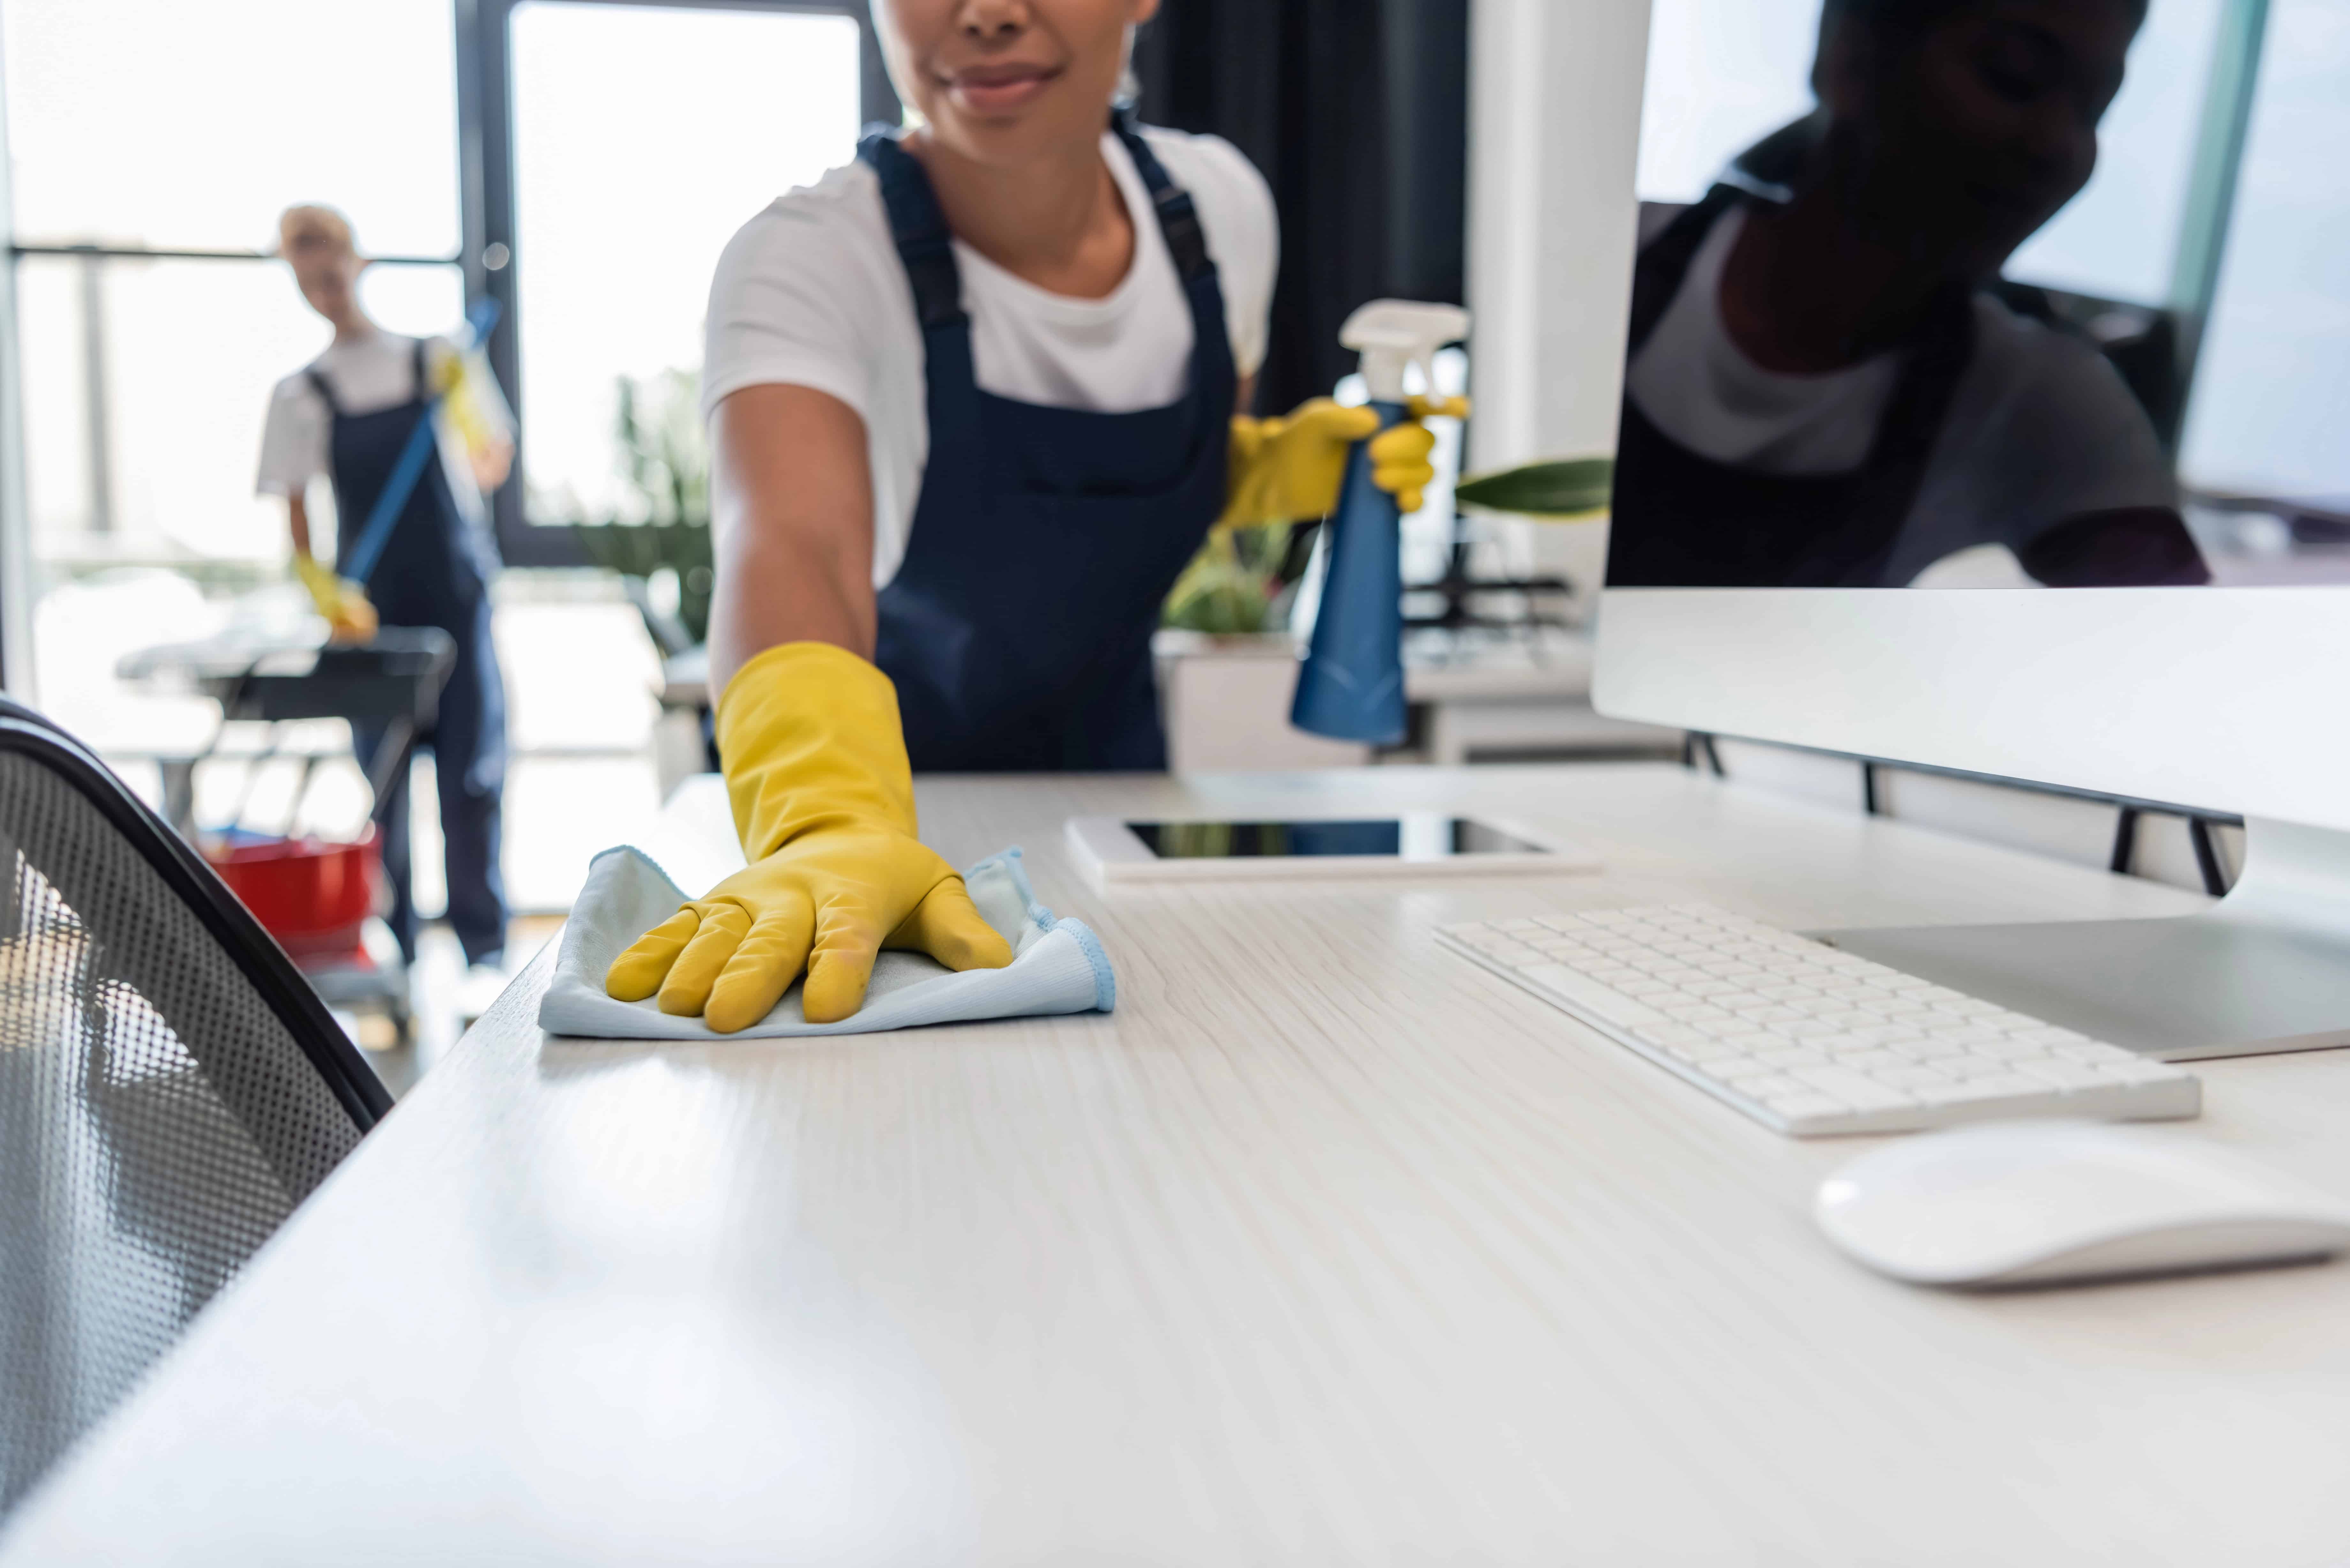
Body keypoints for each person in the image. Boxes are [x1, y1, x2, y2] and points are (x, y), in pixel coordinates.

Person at [605, 0, 1458, 1032]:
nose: (990, 14)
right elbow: (797, 547)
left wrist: (1263, 473)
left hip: (1119, 818)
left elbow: (1157, 476)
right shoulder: (810, 259)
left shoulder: (1220, 213)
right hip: (880, 844)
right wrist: (825, 823)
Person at [1608, 0, 2209, 589]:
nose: (2058, 146)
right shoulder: (1604, 255)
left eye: (2094, 110)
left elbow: (2180, 639)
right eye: (2014, 75)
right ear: (1849, 55)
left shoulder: (2041, 397)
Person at [257, 204, 517, 988]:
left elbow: (491, 462)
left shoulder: (436, 358)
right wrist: (325, 594)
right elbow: (297, 520)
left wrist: (465, 402)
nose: (324, 282)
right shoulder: (300, 394)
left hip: (455, 597)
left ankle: (484, 956)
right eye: (306, 271)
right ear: (295, 281)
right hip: (370, 618)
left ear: (357, 261)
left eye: (330, 262)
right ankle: (399, 958)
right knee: (387, 787)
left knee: (471, 779)